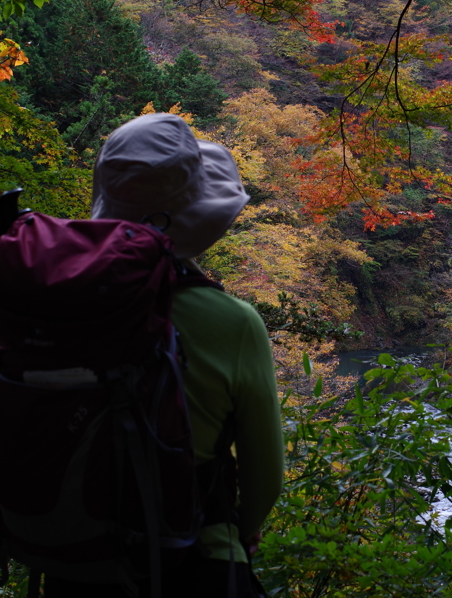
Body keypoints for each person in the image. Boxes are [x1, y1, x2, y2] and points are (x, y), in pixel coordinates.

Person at [44, 113, 285, 598]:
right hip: (194, 556)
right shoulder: (233, 323)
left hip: (73, 561)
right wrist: (246, 526)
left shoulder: (50, 299)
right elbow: (266, 474)